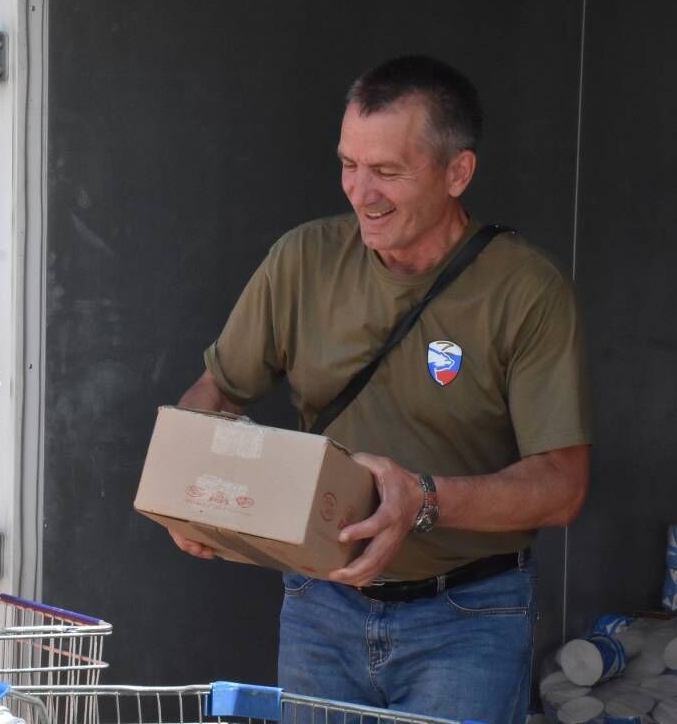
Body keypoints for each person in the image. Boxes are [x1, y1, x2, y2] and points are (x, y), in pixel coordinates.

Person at [168, 55, 591, 724]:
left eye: (388, 171)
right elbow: (215, 392)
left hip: (470, 618)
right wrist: (194, 490)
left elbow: (563, 486)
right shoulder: (302, 260)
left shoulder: (525, 290)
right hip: (319, 603)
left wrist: (422, 499)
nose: (361, 193)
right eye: (349, 165)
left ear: (459, 172)